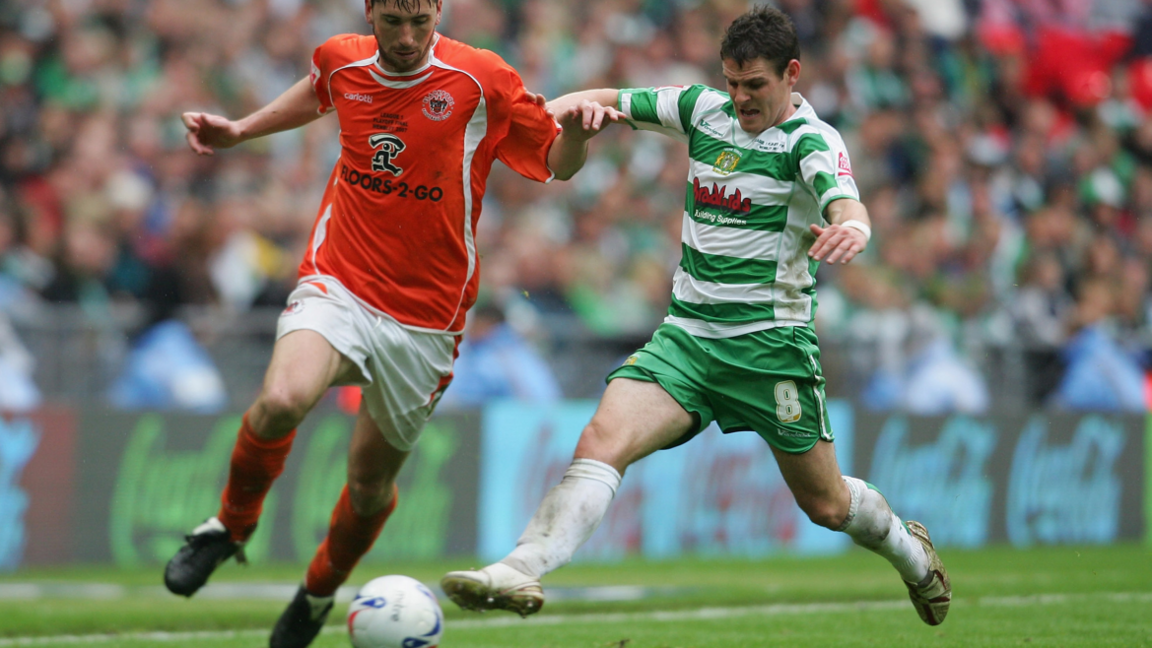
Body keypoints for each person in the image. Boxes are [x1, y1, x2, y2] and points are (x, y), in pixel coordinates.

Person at [441, 6, 951, 628]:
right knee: (603, 438)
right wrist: (558, 113)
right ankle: (520, 567)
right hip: (687, 338)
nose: (740, 99)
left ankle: (910, 554)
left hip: (770, 350)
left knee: (826, 504)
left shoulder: (809, 142)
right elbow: (609, 98)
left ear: (792, 74)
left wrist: (854, 228)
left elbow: (846, 201)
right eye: (732, 83)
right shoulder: (702, 109)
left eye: (755, 85)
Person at [160, 2, 621, 647]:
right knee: (283, 398)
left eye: (419, 22)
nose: (405, 38)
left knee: (370, 485)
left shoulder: (481, 78)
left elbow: (557, 162)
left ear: (438, 11)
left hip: (428, 319)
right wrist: (241, 130)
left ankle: (318, 593)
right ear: (370, 11)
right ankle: (230, 526)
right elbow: (320, 89)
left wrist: (578, 134)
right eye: (392, 21)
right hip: (339, 280)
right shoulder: (340, 57)